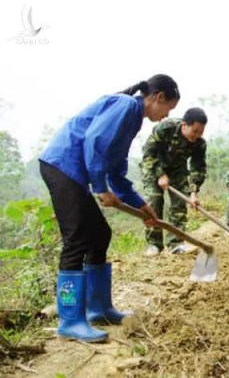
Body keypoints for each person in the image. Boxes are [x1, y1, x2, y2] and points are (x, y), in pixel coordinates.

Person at [39, 74, 179, 342]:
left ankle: (99, 309)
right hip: (62, 166)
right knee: (77, 240)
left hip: (75, 173)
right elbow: (94, 141)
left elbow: (116, 168)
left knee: (100, 234)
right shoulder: (125, 105)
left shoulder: (133, 118)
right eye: (168, 109)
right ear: (159, 97)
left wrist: (140, 204)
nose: (165, 116)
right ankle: (69, 320)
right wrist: (100, 187)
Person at [141, 107, 208, 256]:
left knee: (179, 204)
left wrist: (193, 193)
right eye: (195, 131)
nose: (197, 136)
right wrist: (160, 174)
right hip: (154, 166)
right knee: (154, 202)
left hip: (177, 170)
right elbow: (148, 153)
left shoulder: (200, 144)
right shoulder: (166, 128)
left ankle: (176, 243)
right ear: (185, 125)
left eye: (201, 132)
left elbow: (198, 168)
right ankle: (154, 244)